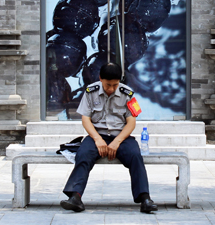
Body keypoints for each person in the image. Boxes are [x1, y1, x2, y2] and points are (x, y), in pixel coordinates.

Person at [60, 62, 158, 214]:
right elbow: (85, 119)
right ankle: (75, 197)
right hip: (96, 136)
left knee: (135, 156)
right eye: (107, 85)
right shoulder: (90, 91)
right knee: (84, 154)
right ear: (100, 79)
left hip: (121, 137)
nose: (111, 89)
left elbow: (131, 123)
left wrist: (117, 141)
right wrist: (98, 139)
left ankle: (145, 198)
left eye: (115, 85)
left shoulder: (128, 93)